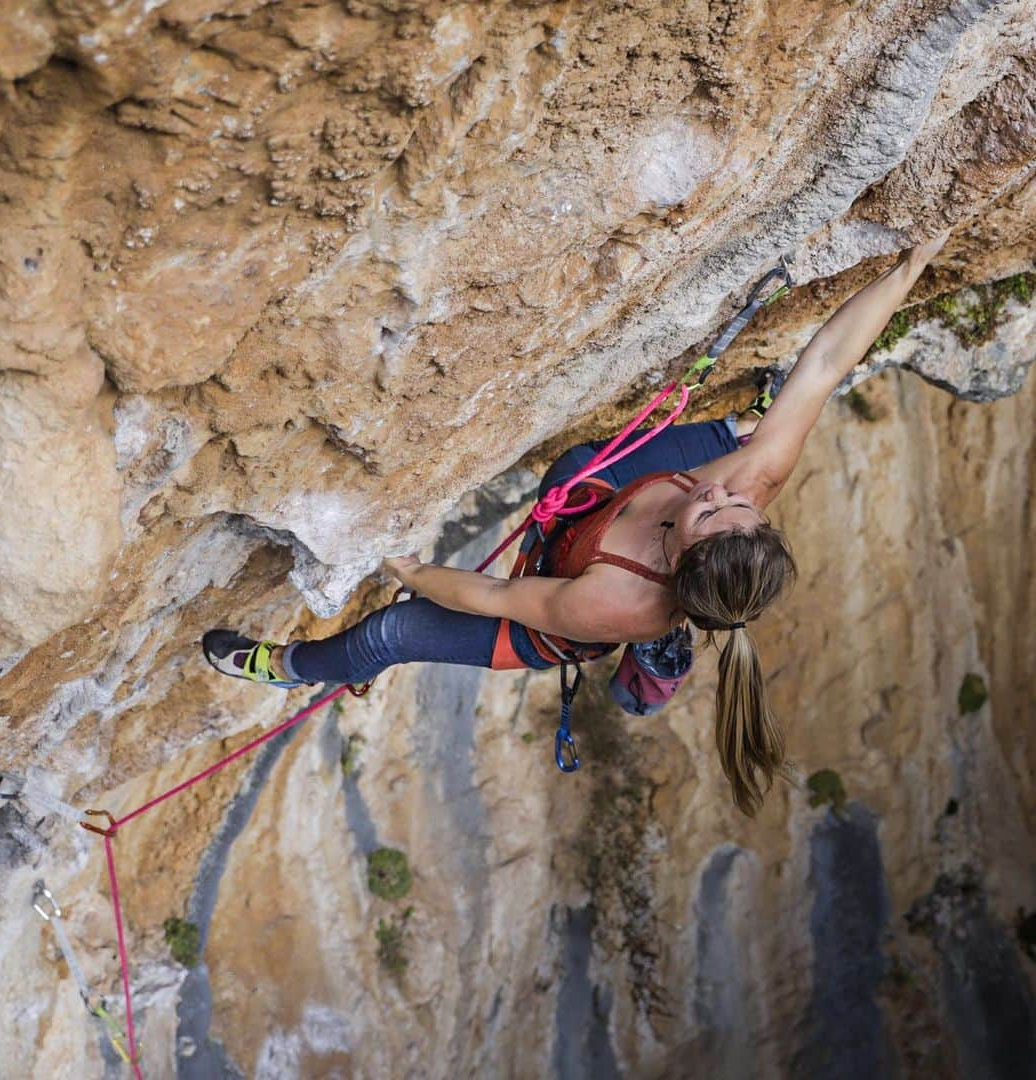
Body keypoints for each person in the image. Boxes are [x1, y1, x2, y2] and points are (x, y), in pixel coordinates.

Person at [204, 234, 949, 815]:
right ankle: (727, 434)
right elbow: (822, 365)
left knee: (387, 637)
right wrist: (909, 270)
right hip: (605, 517)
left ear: (683, 558)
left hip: (549, 609)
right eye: (736, 506)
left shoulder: (615, 602)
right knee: (581, 464)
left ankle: (286, 668)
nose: (721, 497)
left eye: (713, 512)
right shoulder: (751, 483)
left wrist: (403, 570)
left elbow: (492, 598)